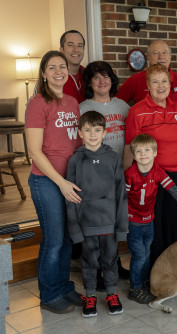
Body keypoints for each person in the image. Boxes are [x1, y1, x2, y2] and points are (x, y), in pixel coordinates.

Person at [25, 50, 82, 314]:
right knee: (54, 240)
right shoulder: (37, 103)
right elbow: (35, 151)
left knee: (69, 239)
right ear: (44, 74)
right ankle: (49, 295)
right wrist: (61, 182)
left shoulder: (72, 101)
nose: (58, 71)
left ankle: (63, 287)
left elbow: (76, 141)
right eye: (52, 67)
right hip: (47, 181)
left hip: (69, 181)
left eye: (62, 66)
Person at [124, 64, 177, 265]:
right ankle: (153, 271)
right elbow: (130, 146)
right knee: (153, 227)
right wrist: (125, 178)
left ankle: (172, 269)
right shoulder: (137, 111)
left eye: (164, 81)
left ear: (170, 84)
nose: (160, 85)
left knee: (174, 224)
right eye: (155, 81)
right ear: (148, 85)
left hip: (175, 175)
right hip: (150, 178)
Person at [65, 111, 128, 317]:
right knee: (89, 262)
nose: (93, 134)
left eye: (97, 130)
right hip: (86, 224)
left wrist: (121, 228)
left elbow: (121, 194)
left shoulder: (112, 158)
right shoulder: (75, 160)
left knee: (110, 261)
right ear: (80, 133)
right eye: (88, 130)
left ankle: (111, 293)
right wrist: (74, 229)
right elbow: (70, 197)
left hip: (109, 224)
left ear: (105, 133)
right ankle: (90, 296)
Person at [126, 134, 177, 304]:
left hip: (149, 221)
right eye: (138, 151)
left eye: (147, 150)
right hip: (134, 221)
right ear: (133, 154)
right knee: (139, 255)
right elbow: (122, 198)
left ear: (155, 153)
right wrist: (123, 223)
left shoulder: (158, 171)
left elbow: (174, 191)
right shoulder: (130, 174)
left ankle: (145, 283)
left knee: (147, 252)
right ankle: (134, 287)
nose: (143, 154)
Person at [116, 40, 177, 107]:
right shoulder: (135, 80)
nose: (161, 57)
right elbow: (115, 105)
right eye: (155, 53)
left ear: (170, 57)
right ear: (149, 57)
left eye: (164, 53)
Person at [80, 61, 129, 157]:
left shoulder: (123, 106)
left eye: (106, 77)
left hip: (124, 166)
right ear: (89, 82)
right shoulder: (81, 109)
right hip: (97, 167)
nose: (102, 82)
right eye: (96, 78)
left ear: (111, 80)